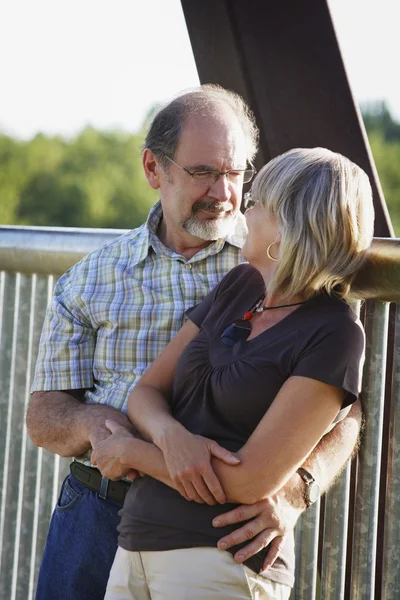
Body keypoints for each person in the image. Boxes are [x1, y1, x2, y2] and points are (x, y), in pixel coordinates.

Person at [26, 86, 362, 600]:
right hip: (99, 508)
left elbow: (345, 412)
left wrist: (296, 491)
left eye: (235, 174)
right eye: (204, 172)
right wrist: (99, 425)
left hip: (215, 529)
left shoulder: (275, 267)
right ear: (153, 170)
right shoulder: (88, 279)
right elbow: (43, 416)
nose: (226, 193)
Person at [92, 147, 374, 599]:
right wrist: (171, 436)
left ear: (289, 227)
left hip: (223, 563)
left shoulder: (334, 333)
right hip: (135, 544)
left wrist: (132, 452)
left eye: (260, 202)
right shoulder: (239, 286)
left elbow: (249, 481)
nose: (246, 208)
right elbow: (147, 391)